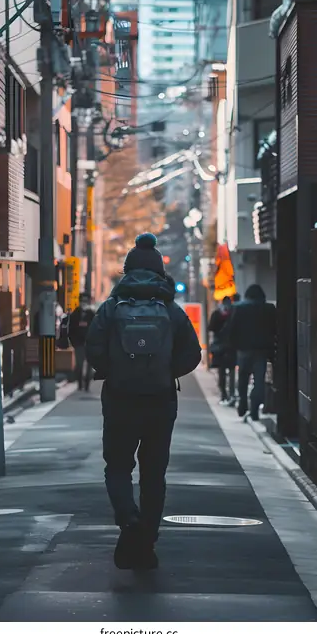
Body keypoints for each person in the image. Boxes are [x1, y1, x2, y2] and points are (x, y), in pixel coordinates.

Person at [86, 233, 202, 571]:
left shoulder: (111, 308)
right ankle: (148, 539)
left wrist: (114, 371)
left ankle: (129, 520)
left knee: (118, 467)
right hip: (159, 402)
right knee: (154, 474)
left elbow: (93, 348)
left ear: (127, 271)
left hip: (120, 400)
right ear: (159, 273)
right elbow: (192, 355)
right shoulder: (171, 310)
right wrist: (166, 372)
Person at [227, 284, 276, 421]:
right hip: (261, 350)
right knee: (258, 380)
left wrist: (233, 346)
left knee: (243, 378)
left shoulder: (238, 308)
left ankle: (243, 402)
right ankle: (254, 408)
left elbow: (232, 329)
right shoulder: (269, 309)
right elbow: (274, 329)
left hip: (243, 349)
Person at [208, 296, 235, 406]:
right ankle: (232, 394)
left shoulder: (216, 313)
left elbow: (210, 327)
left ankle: (224, 394)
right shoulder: (234, 313)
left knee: (221, 372)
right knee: (232, 370)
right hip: (232, 346)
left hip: (220, 346)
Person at [69, 292, 95, 391]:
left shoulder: (92, 315)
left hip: (89, 344)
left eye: (85, 301)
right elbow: (71, 329)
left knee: (89, 365)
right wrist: (73, 342)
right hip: (79, 343)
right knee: (79, 364)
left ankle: (87, 385)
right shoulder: (75, 314)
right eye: (82, 301)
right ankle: (80, 384)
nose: (84, 303)